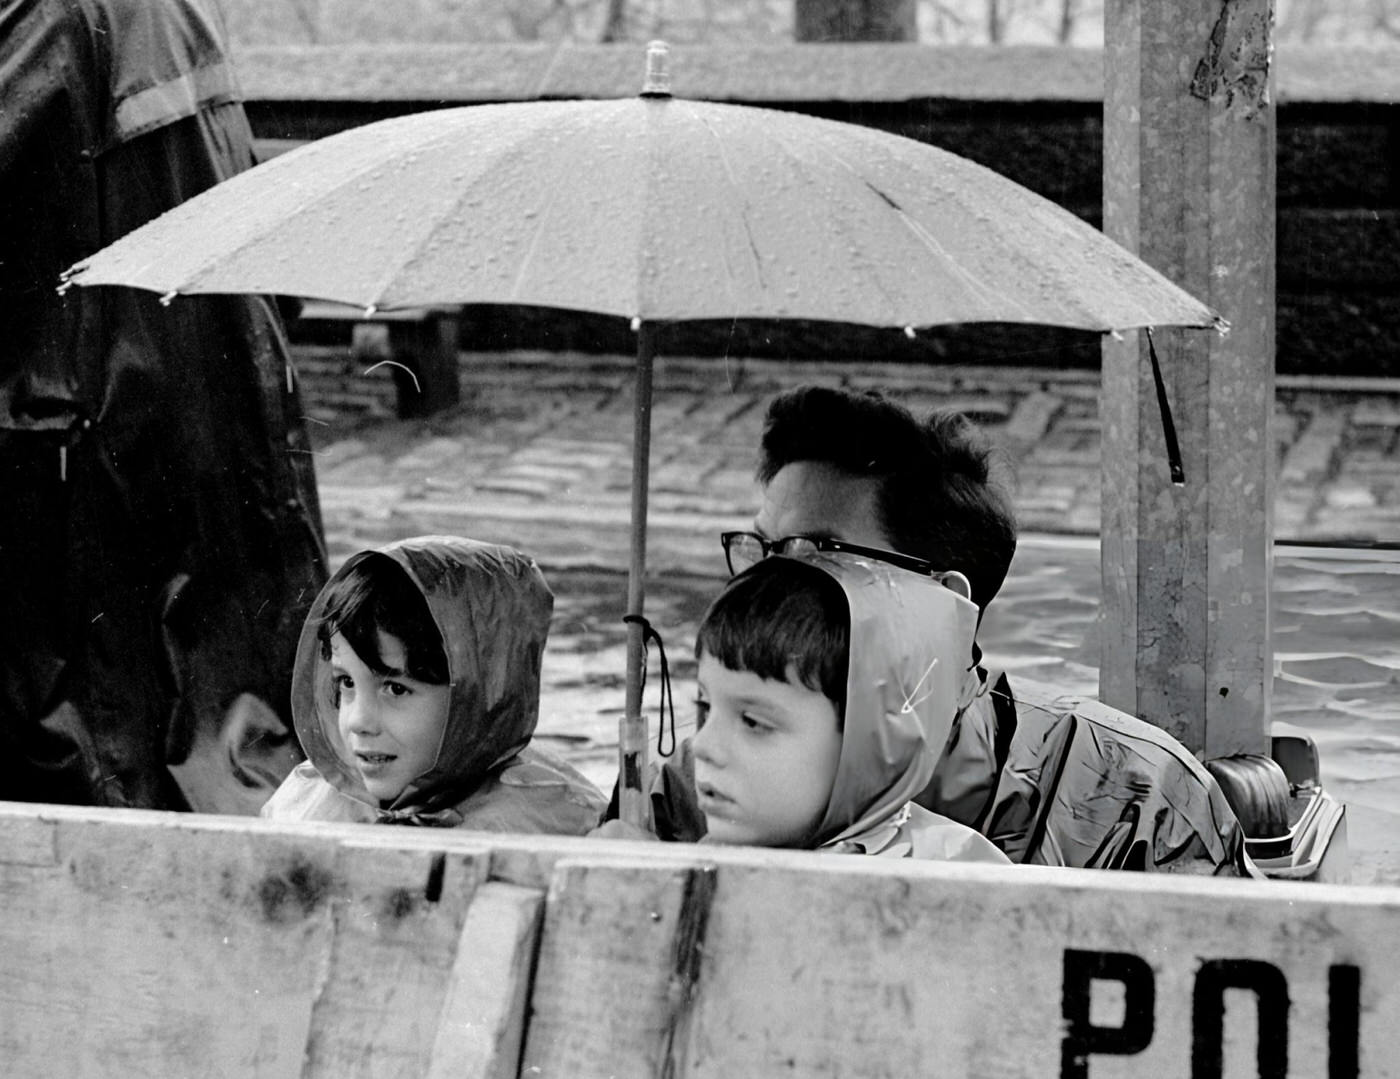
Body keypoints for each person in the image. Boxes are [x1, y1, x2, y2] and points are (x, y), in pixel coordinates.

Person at [612, 385, 1249, 874]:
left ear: (942, 604)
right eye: (765, 548)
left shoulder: (1137, 792)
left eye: (821, 552)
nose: (772, 583)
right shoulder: (697, 777)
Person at [0, 0, 326, 812]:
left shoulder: (48, 17)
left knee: (87, 762)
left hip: (82, 444)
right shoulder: (175, 10)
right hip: (197, 421)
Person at [623, 549, 1007, 862]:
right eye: (706, 707)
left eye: (754, 722)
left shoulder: (959, 883)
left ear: (871, 743)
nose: (703, 746)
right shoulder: (698, 861)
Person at [262, 536, 607, 832]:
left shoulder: (558, 824)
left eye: (396, 689)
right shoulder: (304, 806)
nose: (358, 722)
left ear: (480, 695)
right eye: (346, 683)